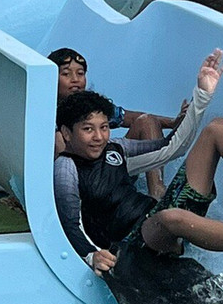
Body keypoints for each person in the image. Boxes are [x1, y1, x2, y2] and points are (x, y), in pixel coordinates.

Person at [53, 48, 223, 278]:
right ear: (67, 133)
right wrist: (91, 255)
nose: (98, 137)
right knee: (171, 216)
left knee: (216, 129)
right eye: (88, 129)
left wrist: (202, 96)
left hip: (159, 225)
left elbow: (173, 147)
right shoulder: (66, 167)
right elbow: (69, 224)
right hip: (134, 245)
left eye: (103, 128)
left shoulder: (116, 150)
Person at [48, 47, 186, 196]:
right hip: (82, 182)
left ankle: (157, 191)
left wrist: (172, 123)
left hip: (111, 171)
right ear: (51, 78)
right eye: (66, 74)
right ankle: (75, 197)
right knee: (59, 139)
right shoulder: (45, 111)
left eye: (80, 73)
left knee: (147, 120)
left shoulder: (91, 105)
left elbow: (132, 118)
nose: (75, 79)